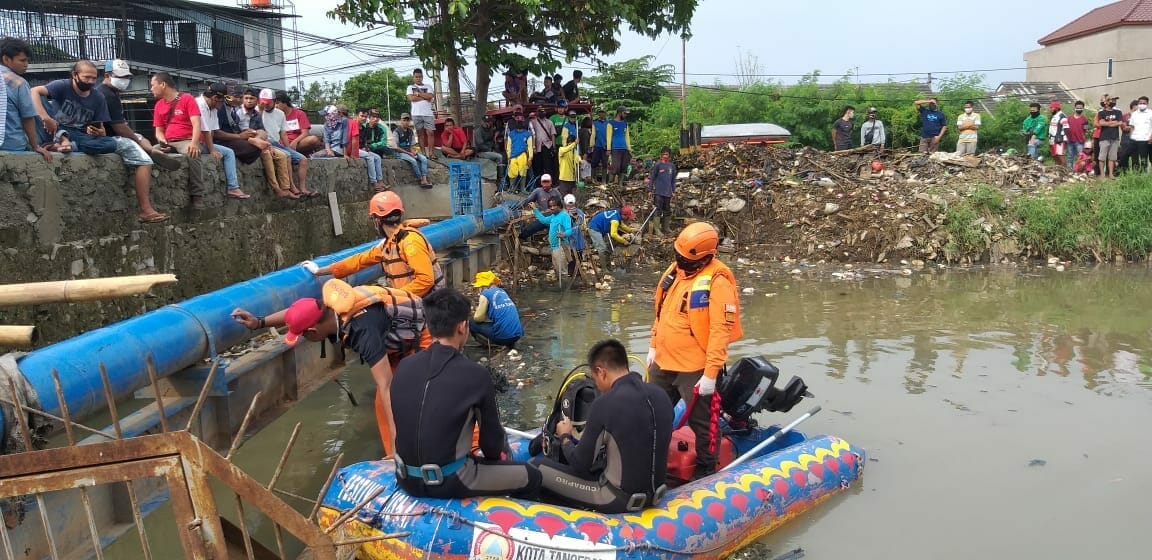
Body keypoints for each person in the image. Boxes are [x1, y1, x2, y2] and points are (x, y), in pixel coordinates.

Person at [231, 278, 431, 457]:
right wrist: (259, 322)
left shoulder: (363, 331)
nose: (306, 339)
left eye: (304, 336)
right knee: (382, 405)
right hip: (396, 343)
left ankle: (409, 456)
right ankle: (394, 459)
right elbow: (294, 314)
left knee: (416, 399)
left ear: (312, 330)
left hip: (423, 335)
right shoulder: (327, 306)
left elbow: (387, 385)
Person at [390, 288, 541, 498]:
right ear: (462, 327)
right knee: (531, 476)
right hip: (450, 481)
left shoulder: (404, 366)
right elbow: (491, 445)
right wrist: (502, 457)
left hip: (404, 478)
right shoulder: (476, 375)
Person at [647, 222, 742, 479]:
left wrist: (711, 374)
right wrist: (653, 345)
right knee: (649, 416)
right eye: (677, 256)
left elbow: (720, 331)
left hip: (695, 368)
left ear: (705, 257)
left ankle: (706, 471)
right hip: (663, 362)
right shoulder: (674, 272)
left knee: (704, 426)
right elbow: (661, 312)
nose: (679, 262)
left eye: (685, 259)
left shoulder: (717, 281)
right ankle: (648, 464)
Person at [532, 339, 673, 513]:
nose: (596, 385)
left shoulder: (604, 403)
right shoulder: (661, 395)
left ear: (601, 372)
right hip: (657, 495)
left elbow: (580, 465)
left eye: (594, 378)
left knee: (536, 467)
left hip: (618, 499)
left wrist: (565, 437)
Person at [310, 191, 445, 297]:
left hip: (429, 307)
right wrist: (321, 270)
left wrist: (392, 297)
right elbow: (360, 260)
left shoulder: (410, 242)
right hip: (413, 303)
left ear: (377, 221)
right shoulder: (391, 243)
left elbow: (426, 280)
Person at [97, 59, 180, 222]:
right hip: (108, 137)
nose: (124, 80)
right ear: (107, 75)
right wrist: (136, 140)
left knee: (141, 138)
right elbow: (119, 127)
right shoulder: (106, 94)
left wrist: (137, 139)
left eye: (126, 77)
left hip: (114, 132)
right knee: (144, 161)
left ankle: (152, 150)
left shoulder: (111, 93)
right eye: (120, 76)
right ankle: (145, 210)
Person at [150, 72, 250, 206]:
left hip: (187, 140)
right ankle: (166, 158)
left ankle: (198, 195)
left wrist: (195, 143)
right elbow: (159, 131)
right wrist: (162, 141)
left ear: (163, 85)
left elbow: (199, 125)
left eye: (152, 85)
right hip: (170, 141)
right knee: (154, 149)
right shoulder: (159, 106)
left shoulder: (187, 99)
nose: (151, 88)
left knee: (193, 153)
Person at [30, 60, 117, 156]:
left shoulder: (98, 97)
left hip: (78, 135)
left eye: (94, 78)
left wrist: (99, 133)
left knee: (111, 144)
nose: (90, 81)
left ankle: (69, 146)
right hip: (54, 128)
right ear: (75, 75)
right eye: (87, 77)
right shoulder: (62, 85)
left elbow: (101, 129)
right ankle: (62, 140)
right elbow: (34, 91)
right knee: (39, 98)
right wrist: (45, 118)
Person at [1, 38, 52, 161]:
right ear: (6, 59)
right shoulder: (19, 83)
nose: (26, 64)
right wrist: (36, 146)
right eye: (22, 60)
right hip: (12, 144)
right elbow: (28, 118)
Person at [262, 89, 314, 197]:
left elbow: (283, 133)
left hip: (284, 143)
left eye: (274, 103)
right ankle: (291, 186)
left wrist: (289, 146)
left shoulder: (283, 114)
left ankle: (302, 188)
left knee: (303, 159)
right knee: (287, 155)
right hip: (269, 143)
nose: (266, 105)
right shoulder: (259, 112)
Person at [469, 271, 523, 348]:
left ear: (482, 286)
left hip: (503, 338)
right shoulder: (502, 291)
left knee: (471, 322)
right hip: (517, 335)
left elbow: (478, 318)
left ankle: (491, 344)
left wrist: (476, 313)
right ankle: (509, 343)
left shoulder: (485, 293)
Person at [532, 196, 575, 288]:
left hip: (561, 247)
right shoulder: (552, 216)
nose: (552, 208)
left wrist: (563, 234)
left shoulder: (564, 216)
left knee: (562, 271)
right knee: (557, 270)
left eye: (554, 206)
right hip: (554, 248)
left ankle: (566, 290)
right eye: (550, 206)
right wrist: (535, 209)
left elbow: (569, 230)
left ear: (559, 205)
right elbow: (543, 220)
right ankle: (561, 287)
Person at [588, 205, 635, 272]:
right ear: (624, 215)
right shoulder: (615, 219)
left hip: (601, 228)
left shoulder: (617, 214)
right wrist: (623, 241)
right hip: (594, 228)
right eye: (628, 217)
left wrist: (631, 230)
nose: (628, 219)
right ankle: (604, 270)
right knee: (602, 249)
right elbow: (613, 234)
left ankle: (609, 268)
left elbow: (621, 225)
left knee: (607, 249)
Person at [514, 173, 561, 239]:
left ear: (551, 182)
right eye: (543, 182)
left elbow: (561, 206)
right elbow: (526, 201)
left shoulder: (556, 192)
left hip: (554, 217)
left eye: (547, 182)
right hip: (542, 216)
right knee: (528, 229)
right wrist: (515, 207)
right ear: (541, 183)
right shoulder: (538, 191)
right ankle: (521, 238)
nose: (545, 184)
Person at [393, 113, 432, 187]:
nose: (406, 122)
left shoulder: (410, 131)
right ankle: (421, 179)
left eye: (407, 120)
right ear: (401, 121)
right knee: (413, 161)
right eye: (404, 120)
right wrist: (409, 153)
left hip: (408, 151)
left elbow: (411, 145)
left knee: (423, 158)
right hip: (400, 152)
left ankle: (424, 178)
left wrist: (413, 151)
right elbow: (396, 147)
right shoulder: (396, 131)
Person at [407, 69, 437, 159]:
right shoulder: (410, 87)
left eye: (420, 76)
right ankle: (423, 154)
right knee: (420, 134)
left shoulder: (428, 86)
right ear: (413, 77)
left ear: (422, 77)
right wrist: (425, 97)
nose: (418, 78)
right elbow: (411, 98)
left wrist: (418, 94)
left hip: (428, 113)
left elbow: (431, 96)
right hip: (416, 114)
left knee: (430, 132)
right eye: (416, 77)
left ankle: (431, 153)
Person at [647, 147, 676, 236]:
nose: (665, 156)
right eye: (663, 154)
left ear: (669, 156)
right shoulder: (658, 165)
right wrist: (650, 190)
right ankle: (657, 229)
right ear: (661, 155)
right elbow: (652, 178)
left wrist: (673, 191)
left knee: (667, 210)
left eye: (667, 154)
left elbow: (673, 180)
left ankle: (666, 227)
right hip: (658, 192)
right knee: (658, 210)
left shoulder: (672, 166)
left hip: (668, 192)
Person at [505, 107, 533, 192]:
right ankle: (512, 188)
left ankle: (523, 188)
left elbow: (530, 147)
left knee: (523, 171)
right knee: (512, 172)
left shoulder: (527, 134)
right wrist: (508, 157)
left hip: (523, 155)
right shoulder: (511, 134)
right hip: (513, 156)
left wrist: (530, 158)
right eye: (518, 122)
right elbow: (508, 147)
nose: (519, 123)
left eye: (521, 122)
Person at [1095, 95, 1123, 178]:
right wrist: (1113, 123)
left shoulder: (1118, 112)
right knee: (1102, 157)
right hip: (1104, 137)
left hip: (1115, 137)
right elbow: (1101, 123)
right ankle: (1102, 174)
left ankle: (1110, 174)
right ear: (1106, 102)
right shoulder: (1101, 112)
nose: (1113, 102)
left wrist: (1108, 123)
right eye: (1111, 100)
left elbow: (1120, 123)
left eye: (1114, 100)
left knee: (1112, 157)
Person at [606, 107, 631, 186]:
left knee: (623, 167)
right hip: (615, 148)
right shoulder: (611, 123)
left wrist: (629, 148)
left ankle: (620, 184)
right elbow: (608, 137)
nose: (625, 115)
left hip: (624, 148)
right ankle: (610, 183)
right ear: (619, 113)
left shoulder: (625, 124)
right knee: (615, 167)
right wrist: (609, 148)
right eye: (624, 113)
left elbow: (627, 137)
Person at [529, 109, 557, 179]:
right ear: (537, 113)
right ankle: (538, 184)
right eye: (540, 112)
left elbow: (553, 134)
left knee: (548, 167)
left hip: (547, 146)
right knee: (538, 167)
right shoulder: (532, 122)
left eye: (543, 112)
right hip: (537, 147)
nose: (542, 113)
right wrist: (533, 147)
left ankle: (549, 182)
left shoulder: (549, 122)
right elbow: (531, 135)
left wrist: (553, 147)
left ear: (545, 113)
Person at [1127, 95, 1152, 172]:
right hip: (1135, 140)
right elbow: (1131, 127)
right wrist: (1131, 137)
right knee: (1135, 159)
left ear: (1147, 104)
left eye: (1144, 103)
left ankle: (1145, 174)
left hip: (1147, 139)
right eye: (1140, 103)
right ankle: (1136, 174)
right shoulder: (1134, 114)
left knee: (1145, 158)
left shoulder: (1150, 113)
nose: (1142, 104)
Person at [1066, 100, 1089, 169]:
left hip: (1080, 141)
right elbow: (1066, 129)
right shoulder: (1069, 118)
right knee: (1070, 156)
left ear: (1083, 108)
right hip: (1070, 140)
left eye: (1080, 108)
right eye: (1077, 107)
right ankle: (1069, 169)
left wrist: (1084, 138)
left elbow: (1086, 130)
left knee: (1080, 157)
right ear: (1075, 108)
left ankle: (1078, 169)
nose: (1079, 109)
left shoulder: (1085, 119)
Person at [588, 108, 609, 183]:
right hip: (597, 146)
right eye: (600, 112)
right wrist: (591, 145)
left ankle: (604, 180)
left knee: (605, 163)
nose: (602, 114)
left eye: (603, 112)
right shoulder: (595, 123)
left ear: (605, 114)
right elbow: (593, 135)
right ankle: (593, 179)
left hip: (605, 146)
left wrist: (609, 147)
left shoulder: (608, 123)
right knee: (594, 162)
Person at [1048, 101, 1070, 168]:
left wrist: (1063, 138)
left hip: (1059, 139)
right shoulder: (1055, 116)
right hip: (1052, 139)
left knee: (1060, 155)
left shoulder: (1062, 116)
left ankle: (1065, 172)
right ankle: (1057, 170)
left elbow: (1066, 128)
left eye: (1052, 108)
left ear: (1056, 108)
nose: (1050, 109)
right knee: (1055, 156)